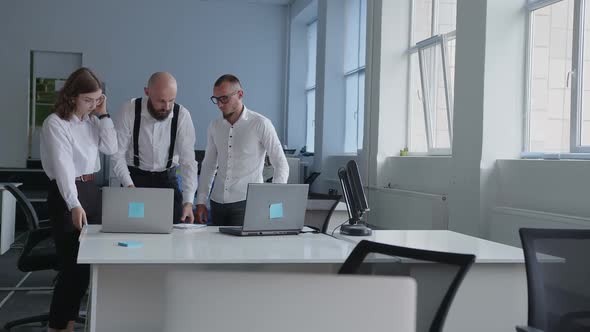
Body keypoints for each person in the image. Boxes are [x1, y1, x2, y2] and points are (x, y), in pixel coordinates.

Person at [40, 67, 117, 332]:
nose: (93, 104)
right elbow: (63, 169)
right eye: (88, 100)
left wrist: (103, 114)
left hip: (91, 190)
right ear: (72, 96)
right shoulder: (55, 123)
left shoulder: (92, 122)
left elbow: (111, 148)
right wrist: (74, 204)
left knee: (85, 270)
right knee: (71, 270)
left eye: (97, 99)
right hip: (66, 195)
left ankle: (69, 324)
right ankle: (58, 327)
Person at [195, 74, 289, 226]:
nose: (219, 104)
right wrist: (201, 201)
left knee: (244, 250)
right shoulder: (214, 126)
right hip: (217, 202)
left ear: (240, 94)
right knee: (214, 249)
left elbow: (281, 164)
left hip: (247, 203)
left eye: (224, 98)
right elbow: (209, 165)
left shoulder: (261, 124)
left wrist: (273, 202)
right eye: (216, 99)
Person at [111, 72, 198, 223]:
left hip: (167, 181)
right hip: (134, 180)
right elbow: (117, 155)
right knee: (134, 229)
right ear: (147, 92)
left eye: (172, 100)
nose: (167, 107)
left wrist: (188, 201)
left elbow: (188, 162)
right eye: (161, 101)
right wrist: (129, 186)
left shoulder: (182, 116)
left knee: (174, 234)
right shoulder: (129, 110)